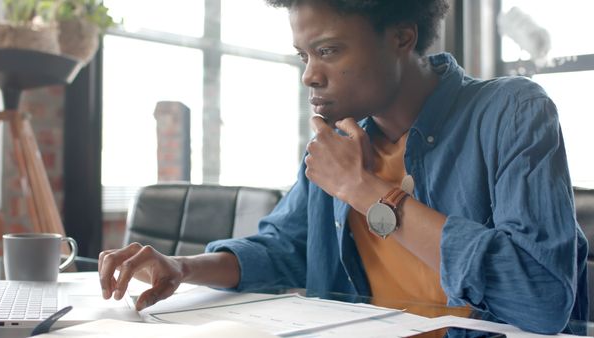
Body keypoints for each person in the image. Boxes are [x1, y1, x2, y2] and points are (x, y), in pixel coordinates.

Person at [98, 0, 588, 334]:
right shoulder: (335, 143)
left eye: (328, 50)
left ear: (401, 36)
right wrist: (183, 267)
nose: (309, 73)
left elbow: (541, 297)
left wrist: (364, 189)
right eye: (303, 54)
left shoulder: (512, 112)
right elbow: (285, 249)